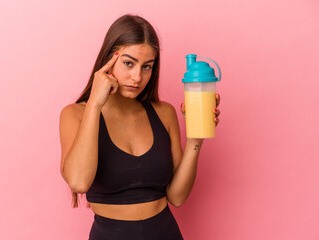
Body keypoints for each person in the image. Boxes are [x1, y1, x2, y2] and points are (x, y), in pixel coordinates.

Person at [59, 14, 221, 240]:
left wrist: (196, 139)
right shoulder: (75, 114)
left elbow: (177, 197)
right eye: (128, 63)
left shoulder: (163, 113)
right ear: (108, 59)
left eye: (147, 67)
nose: (137, 77)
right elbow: (79, 182)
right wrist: (95, 103)